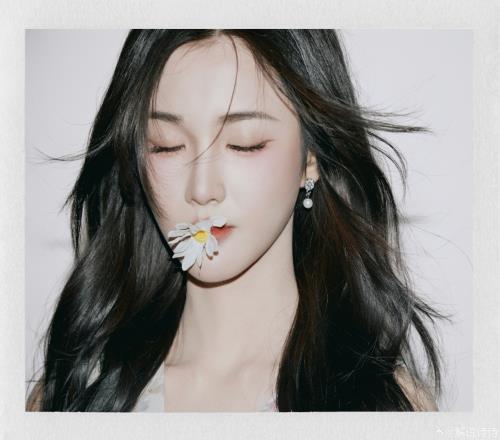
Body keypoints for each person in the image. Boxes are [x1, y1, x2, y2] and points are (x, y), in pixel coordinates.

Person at [26, 29, 450, 412]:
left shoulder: (383, 407)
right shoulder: (74, 396)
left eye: (245, 144)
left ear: (311, 157)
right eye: (166, 145)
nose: (202, 188)